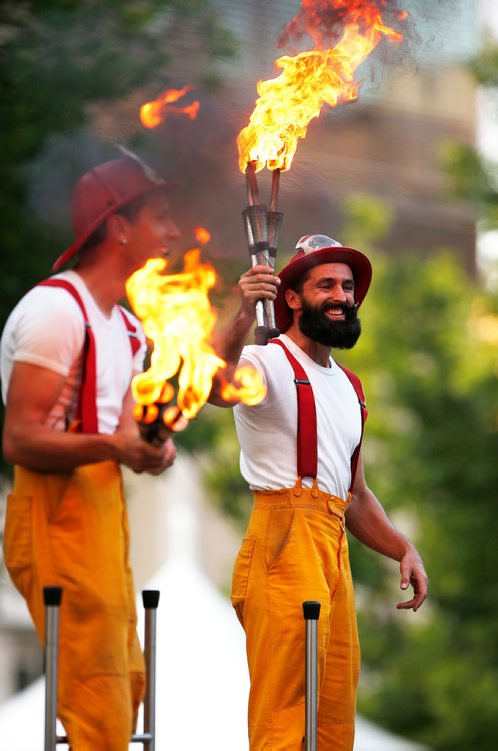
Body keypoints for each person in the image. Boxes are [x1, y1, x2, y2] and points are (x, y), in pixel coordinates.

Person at [210, 234, 428, 751]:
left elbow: (354, 495)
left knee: (332, 718)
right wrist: (242, 313)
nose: (341, 296)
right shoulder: (267, 364)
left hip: (332, 548)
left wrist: (403, 548)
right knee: (286, 716)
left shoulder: (349, 386)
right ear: (291, 298)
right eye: (325, 284)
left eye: (348, 287)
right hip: (283, 541)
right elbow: (216, 389)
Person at [1, 151, 179, 750]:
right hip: (52, 513)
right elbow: (19, 439)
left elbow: (122, 433)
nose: (173, 231)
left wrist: (149, 451)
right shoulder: (54, 311)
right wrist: (116, 445)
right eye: (160, 216)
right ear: (118, 226)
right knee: (95, 696)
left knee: (124, 684)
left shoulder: (127, 329)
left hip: (105, 513)